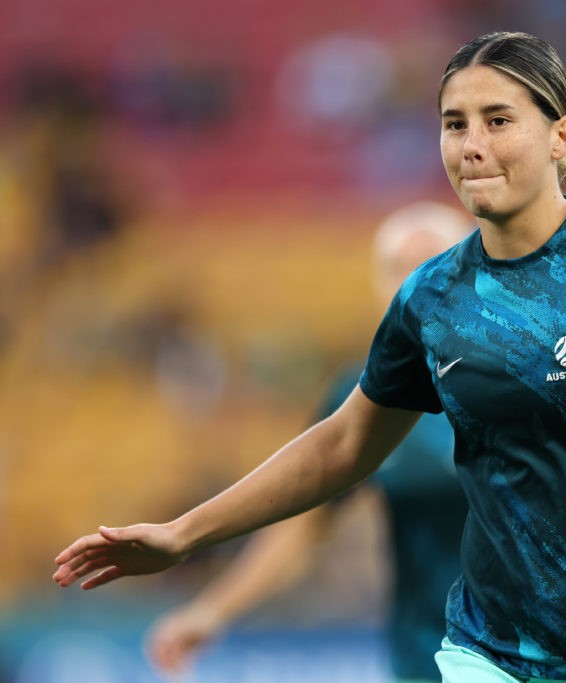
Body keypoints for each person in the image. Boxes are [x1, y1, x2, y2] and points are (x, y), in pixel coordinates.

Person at [53, 31, 566, 683]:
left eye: (498, 119)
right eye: (455, 123)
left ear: (562, 137)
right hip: (494, 652)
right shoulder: (432, 298)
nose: (472, 144)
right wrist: (184, 533)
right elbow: (344, 444)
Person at [146, 201, 473, 683]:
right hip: (427, 656)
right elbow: (303, 522)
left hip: (543, 654)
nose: (413, 282)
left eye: (431, 264)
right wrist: (212, 611)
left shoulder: (530, 375)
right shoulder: (362, 397)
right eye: (396, 269)